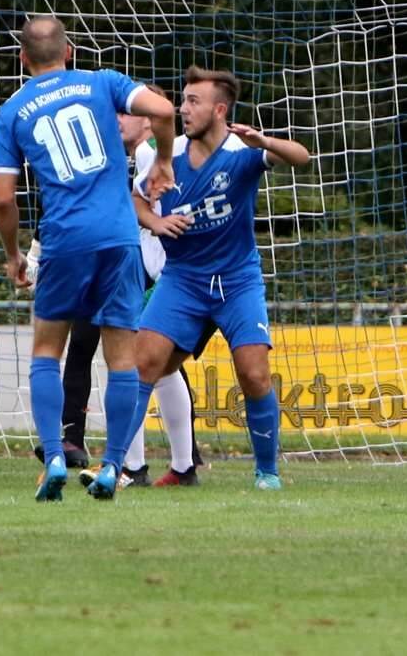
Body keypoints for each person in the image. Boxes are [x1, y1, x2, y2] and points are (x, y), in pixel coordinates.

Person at [0, 15, 176, 501]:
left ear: (22, 58)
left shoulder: (12, 110)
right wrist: (164, 160)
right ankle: (113, 466)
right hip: (118, 237)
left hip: (65, 240)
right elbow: (162, 108)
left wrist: (13, 255)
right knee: (121, 358)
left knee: (47, 350)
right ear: (69, 51)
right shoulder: (102, 83)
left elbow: (4, 200)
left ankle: (54, 456)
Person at [130, 65, 310, 491]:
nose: (183, 109)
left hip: (236, 281)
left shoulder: (242, 152)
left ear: (219, 110)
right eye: (183, 100)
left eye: (194, 101)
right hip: (182, 280)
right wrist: (155, 222)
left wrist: (266, 142)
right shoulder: (166, 154)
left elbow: (301, 157)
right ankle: (119, 466)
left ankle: (267, 473)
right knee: (142, 365)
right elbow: (136, 200)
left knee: (254, 374)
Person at [29, 87, 208, 487]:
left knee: (134, 364)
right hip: (167, 273)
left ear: (149, 120)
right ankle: (181, 466)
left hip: (166, 276)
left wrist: (153, 223)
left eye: (125, 113)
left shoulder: (150, 154)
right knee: (160, 368)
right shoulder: (150, 154)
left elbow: (134, 205)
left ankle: (131, 467)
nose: (117, 120)